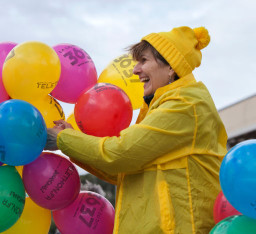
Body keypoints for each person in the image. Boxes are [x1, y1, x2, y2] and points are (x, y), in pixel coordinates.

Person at [45, 26, 228, 233]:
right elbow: (125, 169)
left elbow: (121, 153)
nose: (135, 70)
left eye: (144, 60)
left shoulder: (185, 105)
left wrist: (65, 139)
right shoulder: (165, 106)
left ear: (171, 67)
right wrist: (69, 140)